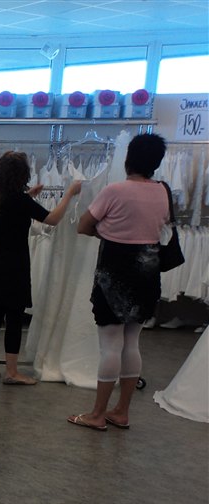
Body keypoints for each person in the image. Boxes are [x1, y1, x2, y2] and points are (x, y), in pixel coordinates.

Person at [69, 132, 169, 430]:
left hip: (114, 273)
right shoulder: (163, 192)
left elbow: (84, 225)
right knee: (132, 342)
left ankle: (97, 414)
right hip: (147, 272)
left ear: (129, 159)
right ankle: (121, 411)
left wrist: (108, 232)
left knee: (110, 345)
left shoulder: (115, 191)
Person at [0, 151, 82, 384]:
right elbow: (52, 219)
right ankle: (12, 372)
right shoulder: (21, 201)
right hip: (14, 265)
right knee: (14, 317)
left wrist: (29, 196)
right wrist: (69, 194)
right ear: (22, 175)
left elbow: (12, 209)